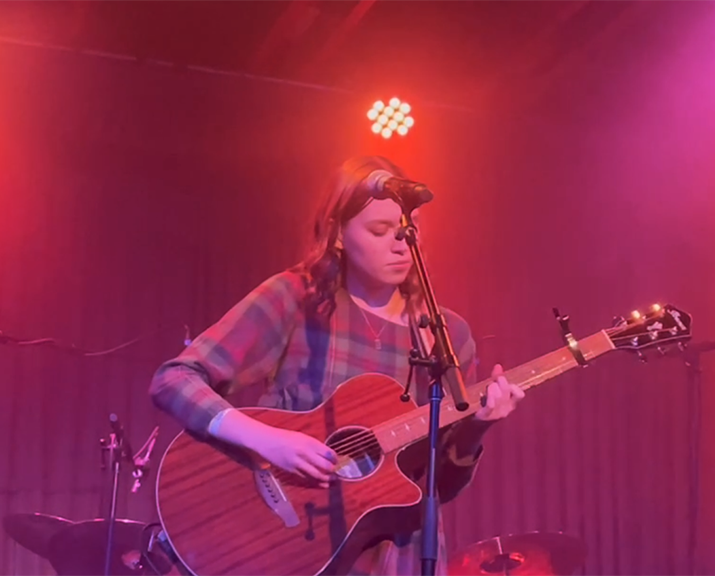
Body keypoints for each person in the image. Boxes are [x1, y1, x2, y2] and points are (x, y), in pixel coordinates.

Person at [149, 155, 524, 576]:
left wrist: (478, 427)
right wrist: (267, 440)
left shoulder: (446, 335)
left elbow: (442, 486)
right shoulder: (297, 299)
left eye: (409, 228)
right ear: (339, 234)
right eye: (379, 230)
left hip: (396, 555)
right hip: (292, 544)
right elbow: (174, 380)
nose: (401, 243)